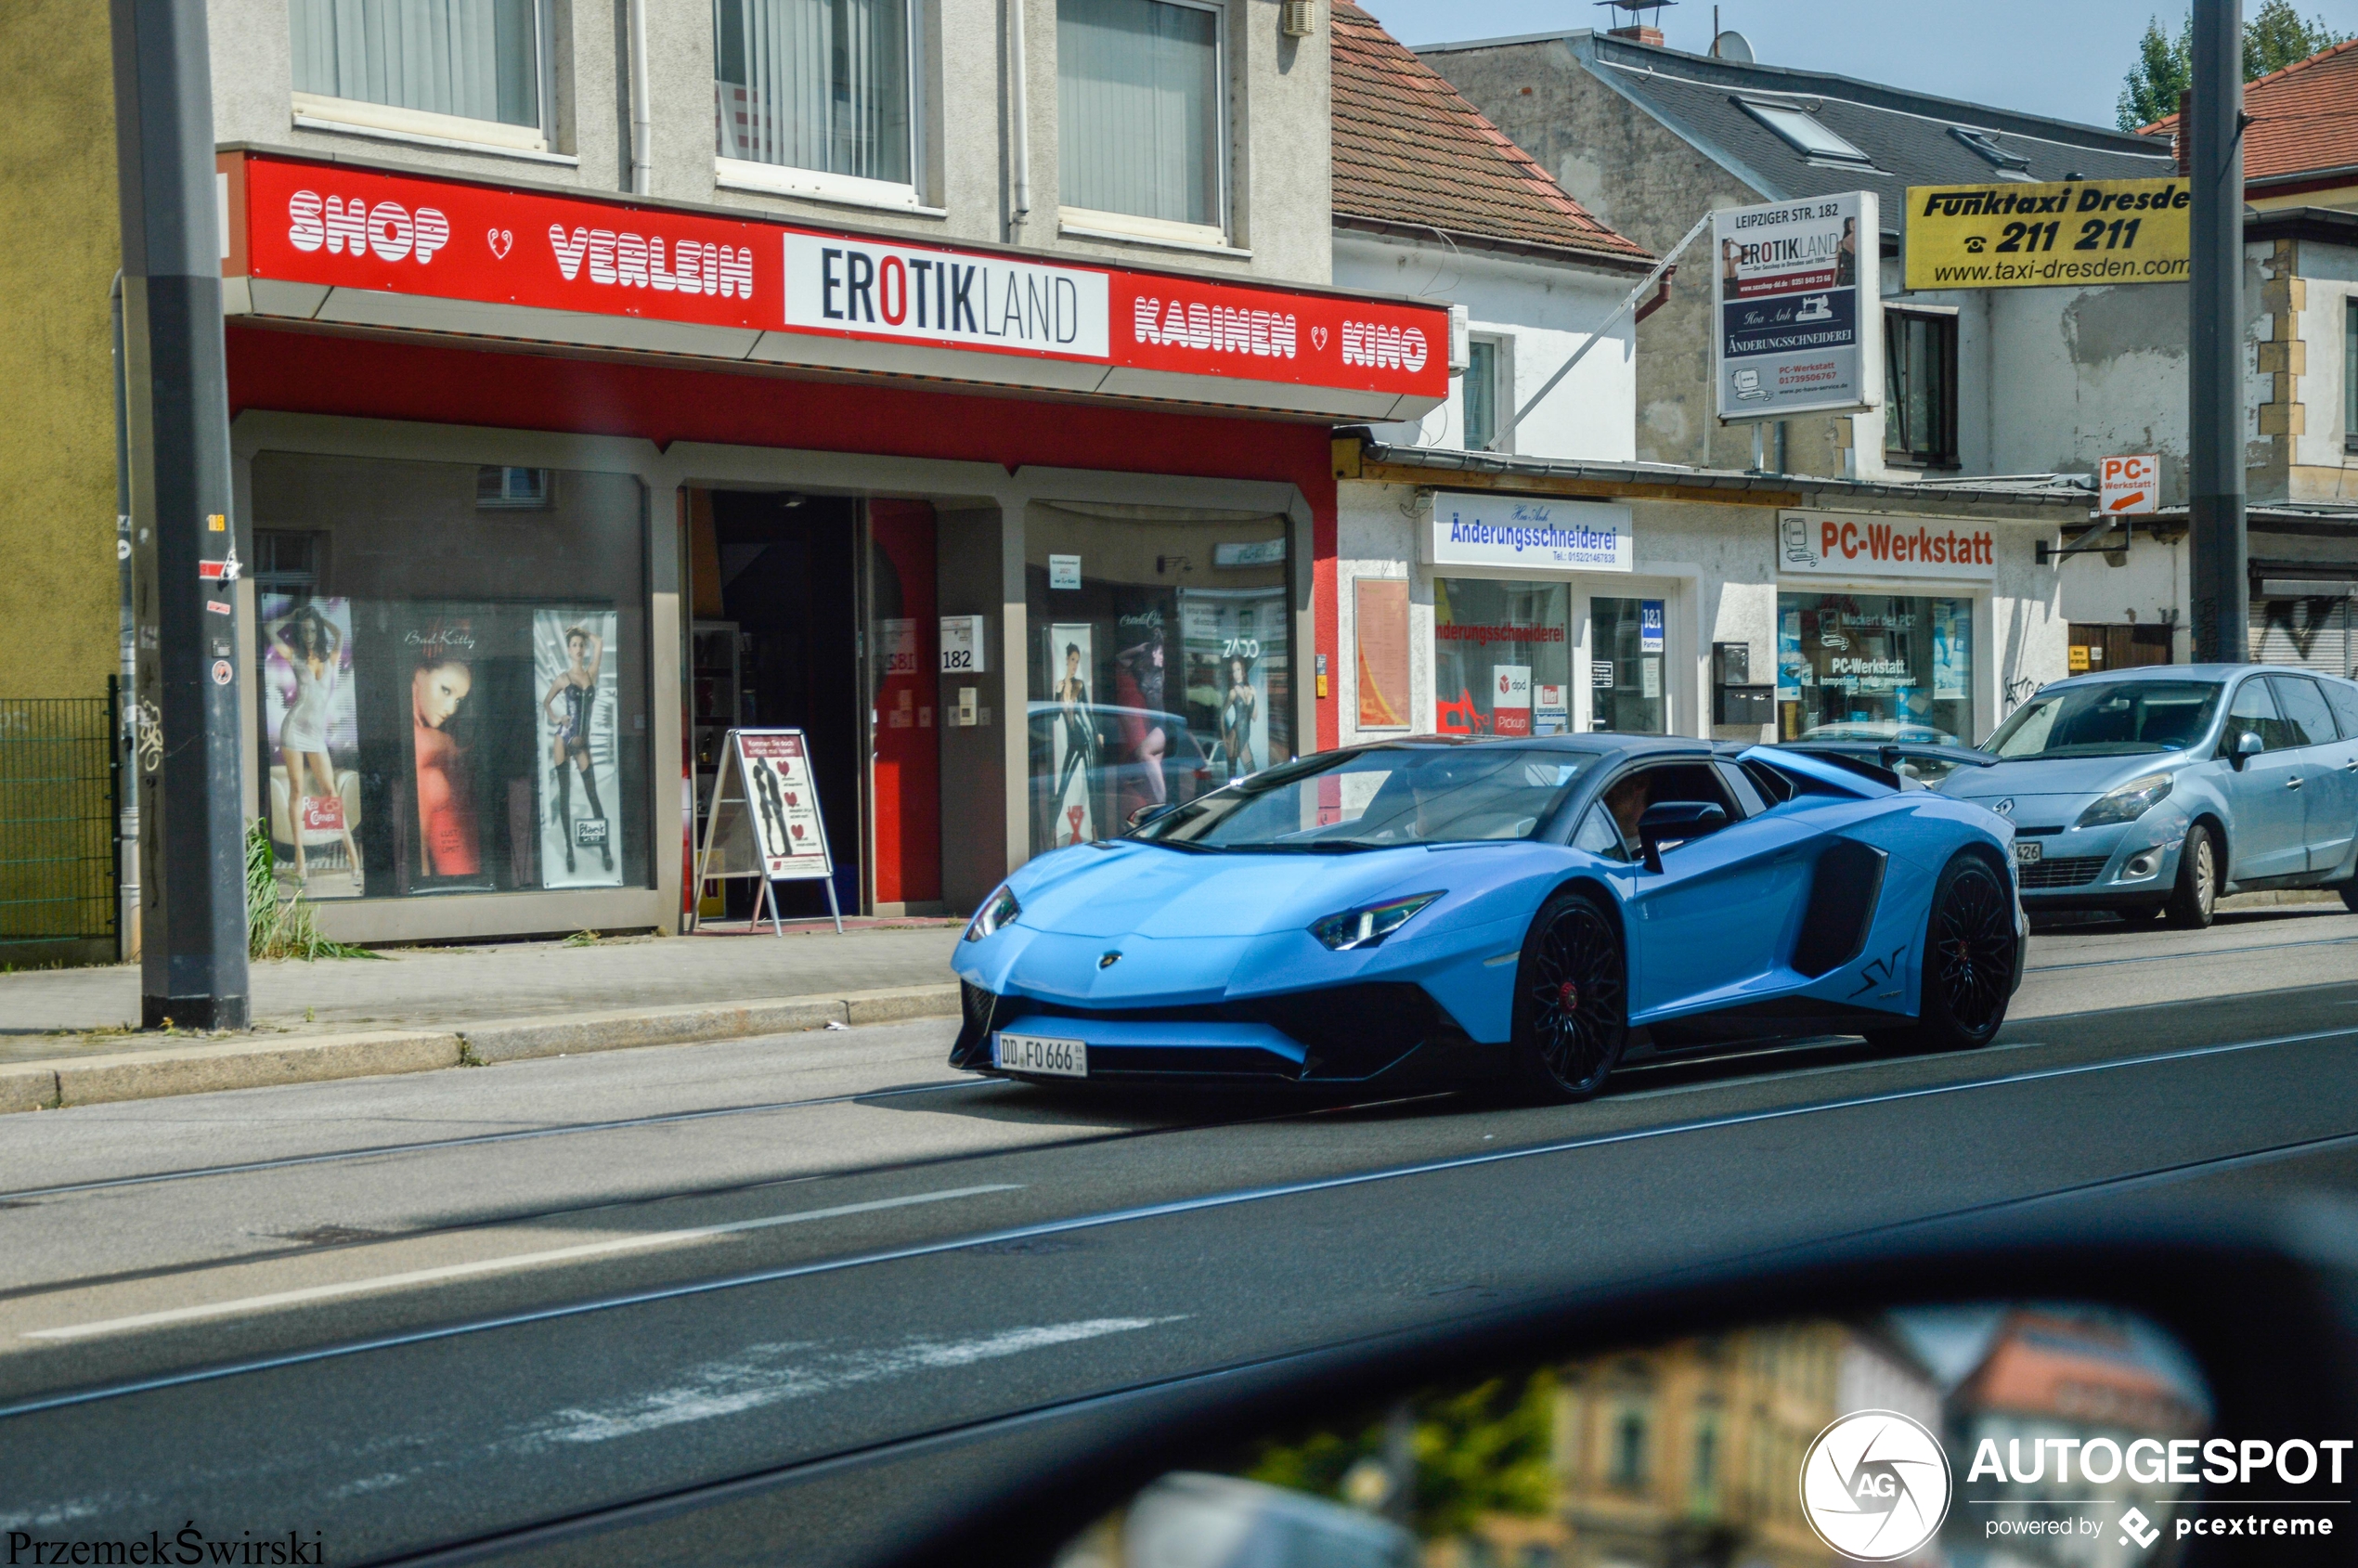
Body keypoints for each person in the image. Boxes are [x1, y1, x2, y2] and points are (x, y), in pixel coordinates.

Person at [266, 604, 360, 886]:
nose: (308, 634)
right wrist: (293, 616)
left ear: (318, 630)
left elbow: (340, 633)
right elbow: (269, 629)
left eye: (312, 629)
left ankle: (352, 855)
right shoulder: (294, 656)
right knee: (296, 789)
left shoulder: (330, 657)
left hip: (316, 735)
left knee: (330, 792)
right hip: (294, 729)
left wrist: (322, 621)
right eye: (304, 630)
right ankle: (299, 857)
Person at [541, 622, 612, 875]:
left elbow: (600, 643)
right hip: (564, 738)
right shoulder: (564, 678)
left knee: (593, 795)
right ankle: (570, 853)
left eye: (581, 645)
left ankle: (605, 851)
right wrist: (556, 718)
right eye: (574, 645)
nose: (579, 648)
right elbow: (547, 701)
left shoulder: (591, 674)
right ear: (569, 651)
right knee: (565, 795)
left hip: (582, 741)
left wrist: (582, 631)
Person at [412, 651, 480, 878]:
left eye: (458, 700)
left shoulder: (429, 738)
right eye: (446, 690)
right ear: (419, 676)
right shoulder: (424, 742)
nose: (451, 709)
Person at [1054, 642, 1095, 840]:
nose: (1075, 665)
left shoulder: (1079, 685)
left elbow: (1088, 711)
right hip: (1072, 743)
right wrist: (1056, 692)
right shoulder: (1061, 686)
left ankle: (1096, 834)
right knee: (1062, 787)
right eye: (1072, 660)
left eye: (1077, 662)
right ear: (1066, 660)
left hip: (1085, 739)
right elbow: (1054, 716)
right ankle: (1053, 832)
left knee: (1092, 786)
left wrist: (1096, 734)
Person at [1220, 655, 1259, 779]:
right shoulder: (1232, 693)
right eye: (1233, 671)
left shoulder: (1252, 689)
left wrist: (1255, 697)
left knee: (1252, 774)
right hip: (1234, 736)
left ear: (1243, 670)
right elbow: (1221, 715)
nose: (1236, 674)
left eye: (1238, 669)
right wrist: (1224, 737)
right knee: (1232, 776)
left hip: (1245, 735)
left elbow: (1254, 717)